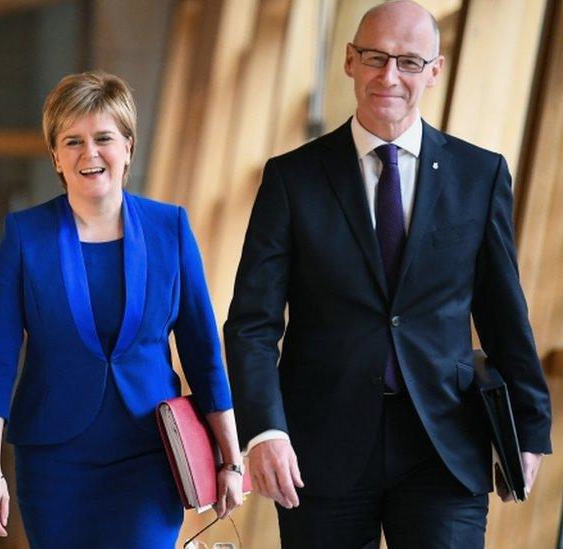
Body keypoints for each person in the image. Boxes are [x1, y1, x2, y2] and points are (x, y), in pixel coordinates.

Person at [223, 1, 552, 547]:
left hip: (444, 445)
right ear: (350, 61)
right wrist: (265, 429)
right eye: (375, 57)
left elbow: (503, 313)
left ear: (435, 71)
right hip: (319, 449)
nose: (389, 76)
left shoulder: (480, 175)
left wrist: (531, 425)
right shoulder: (292, 179)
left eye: (409, 62)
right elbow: (252, 325)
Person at [0, 71, 243, 548]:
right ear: (55, 155)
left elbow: (203, 352)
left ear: (128, 147)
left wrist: (230, 459)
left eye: (103, 138)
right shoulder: (25, 236)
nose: (89, 153)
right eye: (72, 141)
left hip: (150, 456)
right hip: (54, 465)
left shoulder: (170, 229)